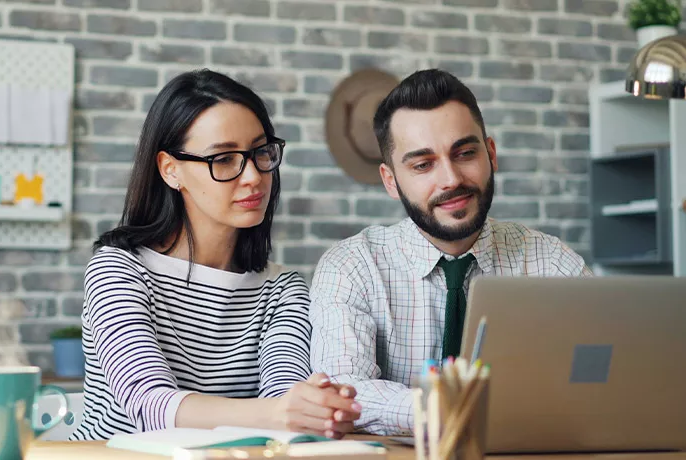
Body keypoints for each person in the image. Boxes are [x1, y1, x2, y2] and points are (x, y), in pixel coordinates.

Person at [71, 69, 361, 441]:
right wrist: (281, 412)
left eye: (260, 152)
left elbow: (283, 402)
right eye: (223, 158)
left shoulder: (283, 289)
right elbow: (149, 405)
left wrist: (312, 410)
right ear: (170, 170)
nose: (253, 176)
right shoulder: (118, 268)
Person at [308, 69, 592, 436]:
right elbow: (345, 392)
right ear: (391, 181)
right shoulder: (352, 267)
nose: (451, 179)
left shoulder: (551, 262)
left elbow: (603, 375)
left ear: (491, 154)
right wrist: (448, 410)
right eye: (423, 164)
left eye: (465, 153)